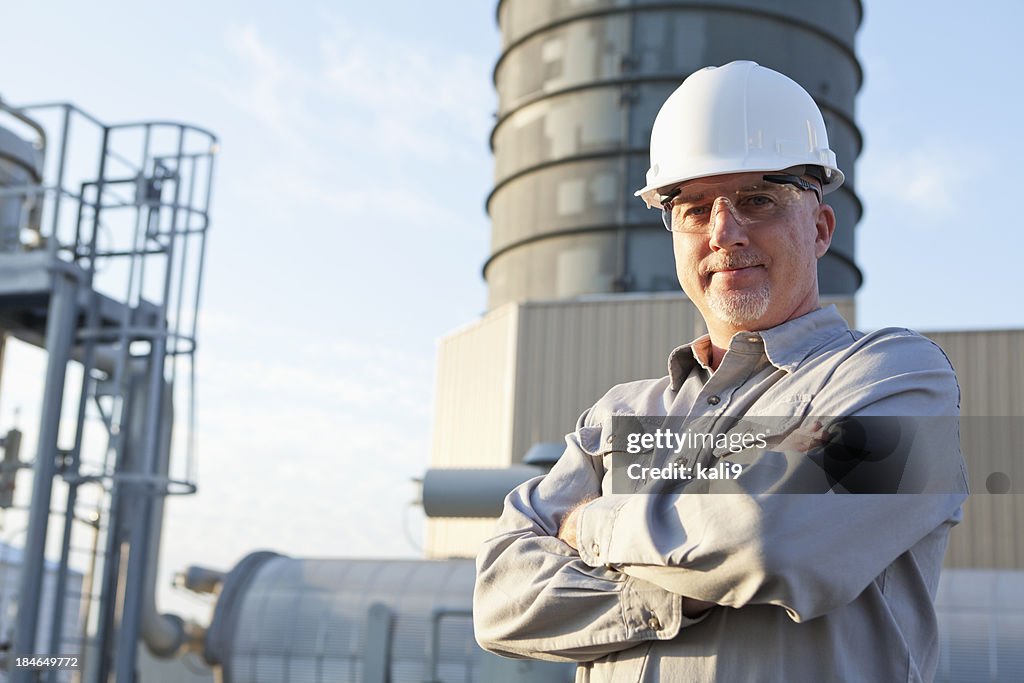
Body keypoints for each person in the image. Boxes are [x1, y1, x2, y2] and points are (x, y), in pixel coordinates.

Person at [473, 61, 968, 682]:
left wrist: (590, 525)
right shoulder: (618, 416)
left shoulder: (900, 379)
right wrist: (683, 592)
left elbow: (774, 540)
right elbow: (499, 601)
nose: (725, 232)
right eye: (695, 208)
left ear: (820, 226)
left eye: (759, 199)